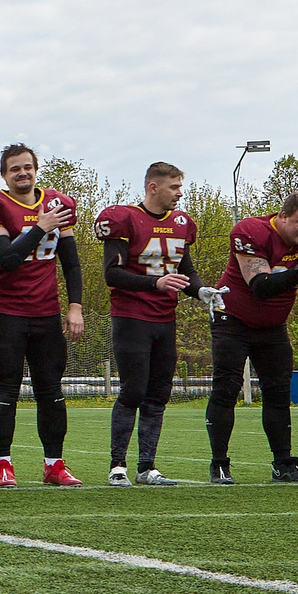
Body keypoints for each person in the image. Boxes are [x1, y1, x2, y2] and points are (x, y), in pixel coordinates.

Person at [203, 190, 298, 484]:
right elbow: (262, 286)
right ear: (282, 216)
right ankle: (219, 463)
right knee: (227, 389)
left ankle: (283, 464)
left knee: (279, 393)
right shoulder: (252, 231)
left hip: (273, 323)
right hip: (233, 318)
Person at [0, 144, 86, 487]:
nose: (22, 173)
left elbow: (71, 263)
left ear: (36, 169)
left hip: (46, 312)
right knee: (5, 389)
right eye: (14, 169)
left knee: (52, 390)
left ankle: (54, 464)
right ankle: (2, 463)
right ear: (4, 175)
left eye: (27, 167)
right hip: (7, 313)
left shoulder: (58, 204)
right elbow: (6, 258)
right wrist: (38, 227)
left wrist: (75, 305)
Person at [94, 163, 210, 486]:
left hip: (165, 318)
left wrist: (202, 291)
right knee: (133, 389)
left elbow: (185, 271)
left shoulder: (182, 223)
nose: (180, 193)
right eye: (174, 187)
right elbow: (111, 274)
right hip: (132, 317)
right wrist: (154, 284)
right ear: (153, 188)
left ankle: (147, 467)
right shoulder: (126, 219)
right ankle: (118, 465)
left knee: (158, 393)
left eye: (180, 186)